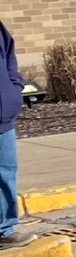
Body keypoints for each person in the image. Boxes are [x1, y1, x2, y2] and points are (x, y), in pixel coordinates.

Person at [0, 18, 27, 244]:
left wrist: (14, 89)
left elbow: (10, 60)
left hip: (3, 117)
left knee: (6, 174)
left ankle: (5, 230)